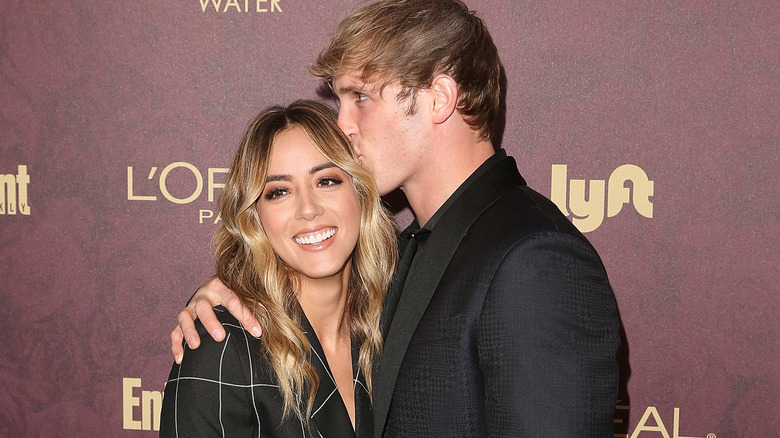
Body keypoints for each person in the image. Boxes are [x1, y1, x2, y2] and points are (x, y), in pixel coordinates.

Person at [172, 0, 621, 436]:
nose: (343, 125)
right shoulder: (412, 254)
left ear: (439, 98)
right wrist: (231, 287)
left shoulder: (534, 260)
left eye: (361, 97)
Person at [160, 100, 397, 437]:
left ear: (359, 190)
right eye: (279, 192)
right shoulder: (221, 348)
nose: (308, 209)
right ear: (255, 217)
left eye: (326, 181)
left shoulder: (399, 316)